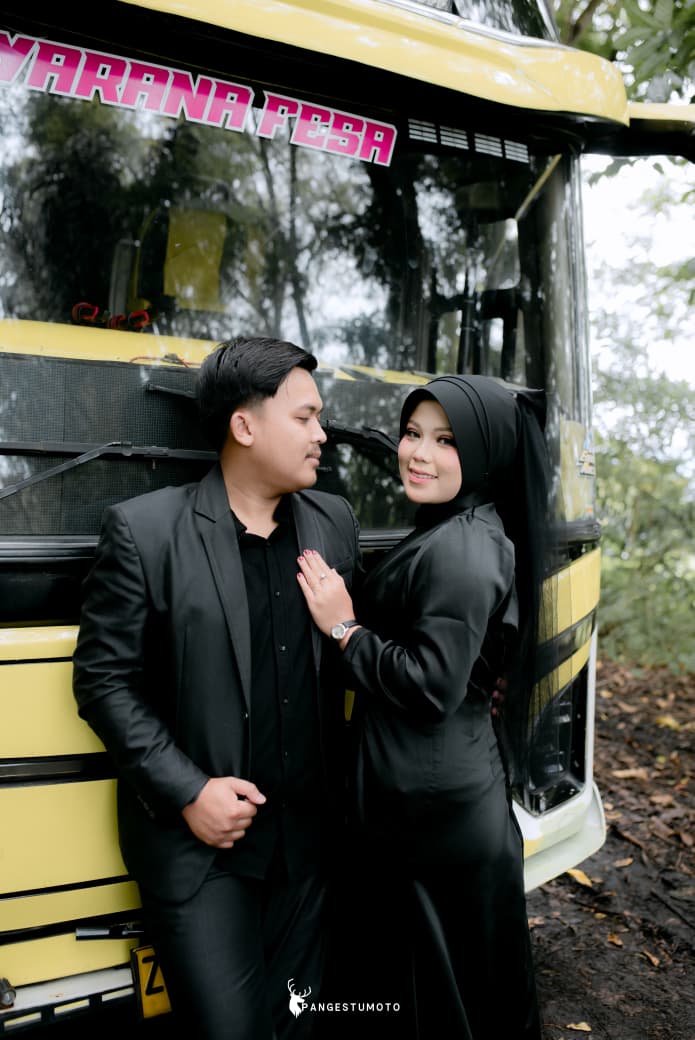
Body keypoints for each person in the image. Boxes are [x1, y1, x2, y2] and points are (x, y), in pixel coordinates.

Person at [72, 336, 361, 1040]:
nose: (321, 435)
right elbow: (103, 682)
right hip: (203, 855)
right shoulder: (145, 532)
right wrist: (188, 793)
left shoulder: (334, 522)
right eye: (305, 417)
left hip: (311, 853)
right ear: (244, 426)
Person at [297, 374, 552, 1040]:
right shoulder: (450, 528)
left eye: (446, 441)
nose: (418, 453)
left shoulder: (463, 547)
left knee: (430, 997)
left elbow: (431, 685)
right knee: (441, 992)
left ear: (486, 455)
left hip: (431, 814)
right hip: (428, 798)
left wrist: (343, 628)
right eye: (413, 433)